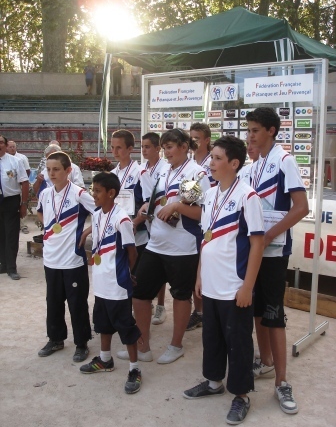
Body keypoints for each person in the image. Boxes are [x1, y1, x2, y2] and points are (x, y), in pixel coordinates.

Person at [183, 136, 265, 425]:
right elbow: (207, 239)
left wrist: (247, 286)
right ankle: (213, 382)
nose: (211, 163)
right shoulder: (211, 194)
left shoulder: (248, 196)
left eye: (217, 158)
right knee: (212, 337)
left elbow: (257, 243)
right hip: (211, 282)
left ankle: (241, 395)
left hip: (235, 287)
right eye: (211, 157)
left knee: (238, 342)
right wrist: (199, 274)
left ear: (234, 163)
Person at [118, 129, 210, 364]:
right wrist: (146, 208)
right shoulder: (163, 172)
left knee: (180, 296)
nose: (166, 152)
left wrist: (177, 207)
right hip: (156, 242)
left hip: (182, 246)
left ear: (183, 147)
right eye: (164, 147)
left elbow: (202, 213)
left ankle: (175, 345)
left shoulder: (196, 173)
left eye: (170, 147)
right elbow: (157, 200)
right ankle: (143, 346)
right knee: (139, 293)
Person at [246, 107, 309, 415]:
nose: (250, 136)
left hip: (273, 250)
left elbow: (301, 207)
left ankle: (282, 382)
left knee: (273, 313)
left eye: (255, 130)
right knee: (258, 309)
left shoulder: (284, 160)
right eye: (248, 131)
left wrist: (268, 235)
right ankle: (266, 361)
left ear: (270, 130)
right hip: (256, 249)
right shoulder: (255, 164)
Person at [79, 172, 142, 394]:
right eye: (93, 190)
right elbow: (97, 244)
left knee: (125, 325)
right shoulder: (97, 215)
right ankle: (105, 359)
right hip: (101, 280)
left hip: (117, 283)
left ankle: (135, 368)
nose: (93, 194)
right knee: (103, 322)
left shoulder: (122, 219)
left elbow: (131, 252)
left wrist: (128, 274)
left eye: (97, 191)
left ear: (111, 193)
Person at [36, 151, 95, 362]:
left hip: (72, 258)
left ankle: (81, 343)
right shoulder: (45, 193)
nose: (51, 173)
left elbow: (101, 212)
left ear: (68, 171)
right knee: (53, 301)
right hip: (51, 257)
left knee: (76, 303)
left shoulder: (79, 194)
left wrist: (88, 231)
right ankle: (56, 339)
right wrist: (47, 228)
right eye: (49, 169)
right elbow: (39, 211)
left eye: (56, 169)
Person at [185, 123, 217, 331]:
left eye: (197, 138)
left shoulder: (212, 162)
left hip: (208, 218)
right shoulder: (187, 163)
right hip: (188, 220)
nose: (193, 141)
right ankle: (198, 312)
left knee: (206, 267)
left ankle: (208, 311)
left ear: (206, 140)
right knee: (192, 269)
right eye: (191, 137)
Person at [139, 132, 168, 325]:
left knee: (161, 266)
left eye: (148, 147)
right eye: (142, 147)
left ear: (158, 148)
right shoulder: (141, 169)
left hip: (161, 221)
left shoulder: (166, 168)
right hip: (146, 221)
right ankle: (147, 303)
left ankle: (161, 306)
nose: (144, 150)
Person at [110, 130, 148, 274]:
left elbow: (148, 204)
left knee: (136, 282)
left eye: (119, 147)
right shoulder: (112, 174)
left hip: (137, 236)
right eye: (112, 147)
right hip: (117, 234)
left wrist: (135, 222)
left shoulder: (140, 172)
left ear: (130, 149)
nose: (115, 151)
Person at [0, 135, 29, 280]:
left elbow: (24, 182)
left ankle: (12, 267)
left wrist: (23, 204)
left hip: (10, 201)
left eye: (0, 142)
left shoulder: (15, 161)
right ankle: (3, 264)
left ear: (5, 145)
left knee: (11, 235)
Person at [7, 140, 31, 234]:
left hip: (21, 185)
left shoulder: (21, 158)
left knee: (22, 204)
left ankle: (23, 225)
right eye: (10, 147)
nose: (12, 148)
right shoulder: (6, 160)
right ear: (7, 148)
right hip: (10, 187)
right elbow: (9, 174)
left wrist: (22, 182)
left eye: (14, 146)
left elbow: (27, 171)